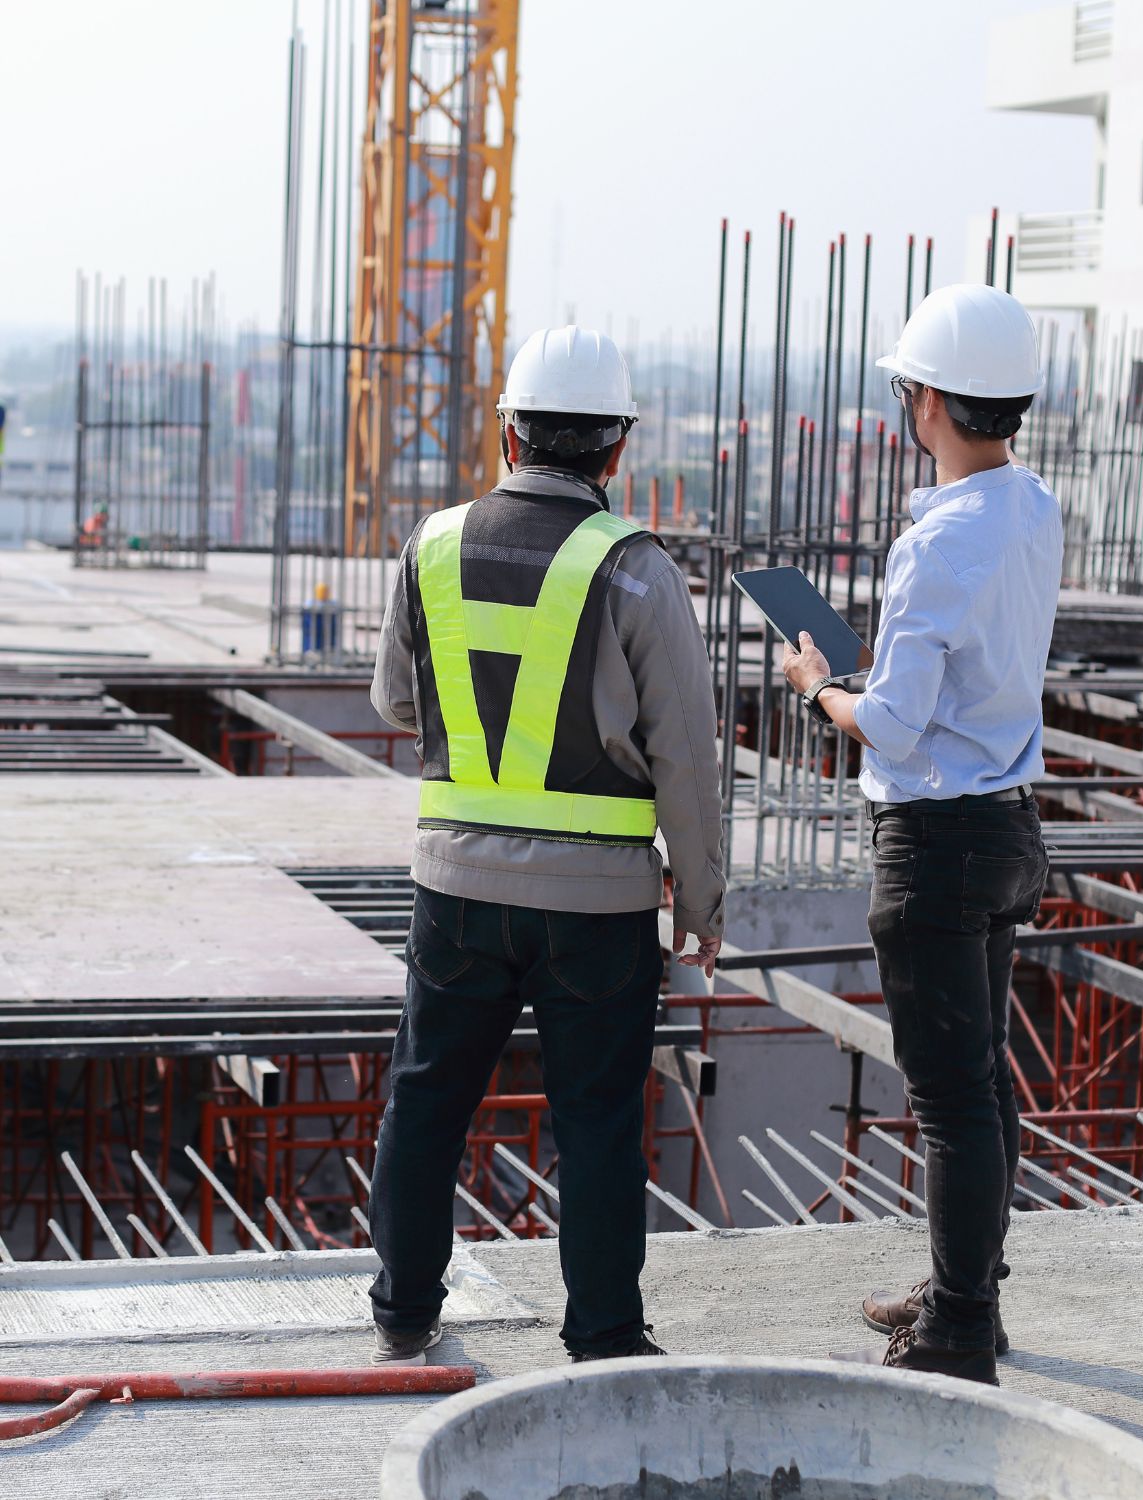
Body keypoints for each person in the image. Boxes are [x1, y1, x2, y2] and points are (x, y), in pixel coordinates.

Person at [367, 325, 726, 1365]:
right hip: (600, 911)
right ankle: (605, 1336)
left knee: (427, 1098)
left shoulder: (430, 544)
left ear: (508, 432)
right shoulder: (637, 570)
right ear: (617, 449)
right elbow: (688, 764)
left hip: (457, 893)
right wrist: (701, 908)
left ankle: (402, 1311)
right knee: (601, 1122)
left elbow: (398, 699)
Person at [783, 284, 1062, 1386]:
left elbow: (893, 725)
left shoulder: (938, 542)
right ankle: (965, 1298)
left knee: (951, 1098)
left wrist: (818, 687)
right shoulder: (1032, 506)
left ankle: (955, 1335)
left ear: (929, 401)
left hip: (937, 838)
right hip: (1005, 823)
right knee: (983, 1082)